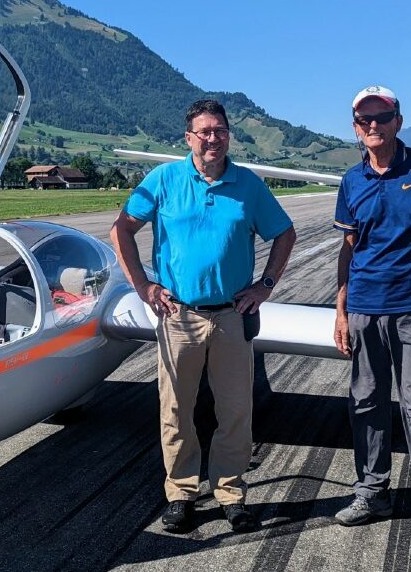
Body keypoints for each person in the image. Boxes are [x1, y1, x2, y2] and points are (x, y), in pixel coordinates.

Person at [111, 99, 296, 534]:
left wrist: (265, 286)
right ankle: (181, 493)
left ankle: (231, 492)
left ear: (229, 135)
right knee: (176, 409)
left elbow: (284, 233)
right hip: (179, 315)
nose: (213, 138)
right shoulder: (164, 180)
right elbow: (121, 229)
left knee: (235, 410)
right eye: (204, 132)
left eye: (220, 130)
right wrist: (144, 286)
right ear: (189, 138)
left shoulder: (248, 185)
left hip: (232, 315)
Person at [332, 85, 411, 550]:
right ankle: (372, 492)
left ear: (397, 121)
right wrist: (341, 310)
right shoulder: (351, 180)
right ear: (355, 127)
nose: (373, 125)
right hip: (365, 308)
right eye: (364, 119)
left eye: (381, 117)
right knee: (364, 402)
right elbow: (348, 249)